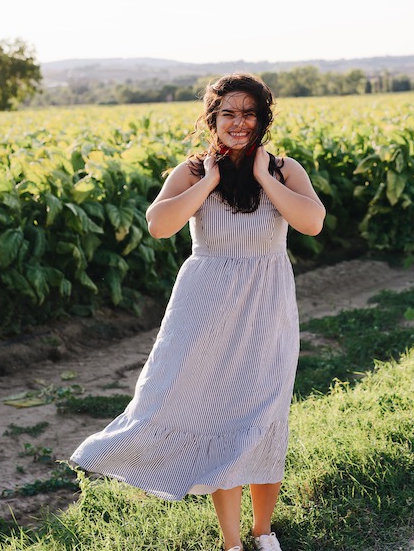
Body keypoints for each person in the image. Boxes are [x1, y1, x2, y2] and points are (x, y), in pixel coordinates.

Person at [70, 72, 325, 551]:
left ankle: (263, 532)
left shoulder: (285, 169)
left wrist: (261, 177)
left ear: (262, 119)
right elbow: (159, 225)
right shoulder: (191, 171)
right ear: (213, 119)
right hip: (207, 309)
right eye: (228, 113)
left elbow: (311, 223)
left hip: (266, 306)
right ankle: (231, 542)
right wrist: (209, 180)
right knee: (222, 420)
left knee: (267, 414)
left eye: (249, 113)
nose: (239, 122)